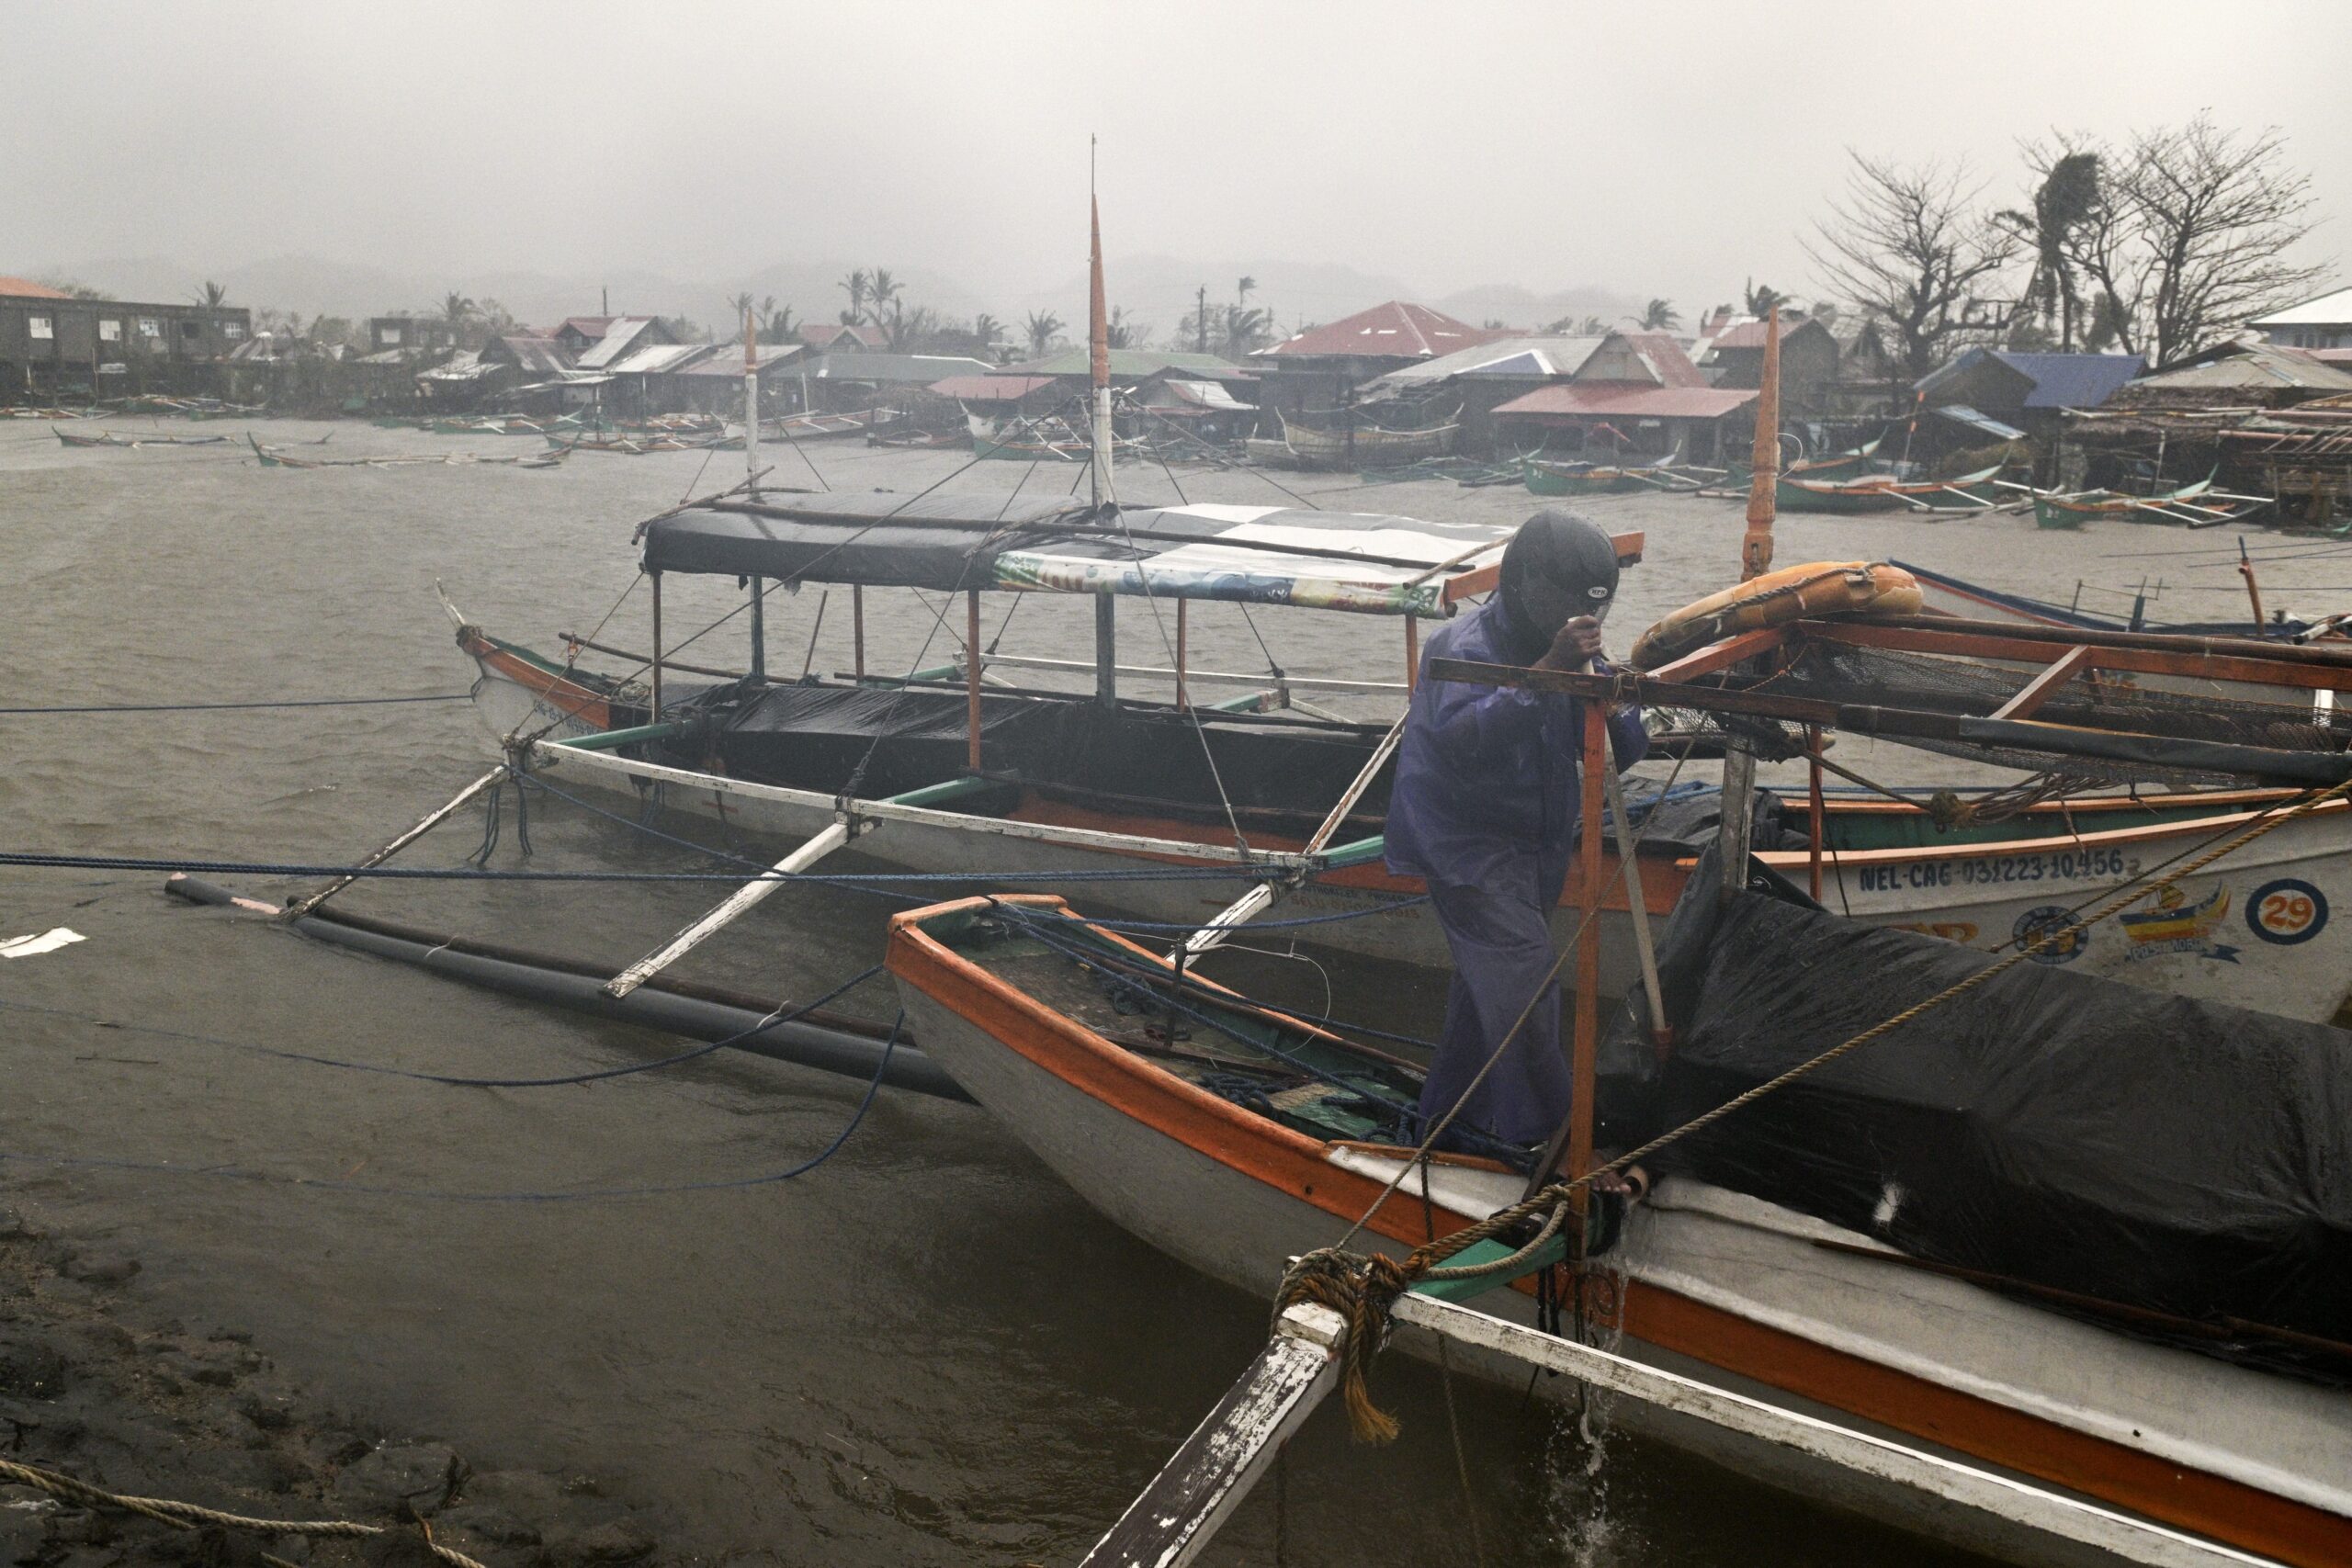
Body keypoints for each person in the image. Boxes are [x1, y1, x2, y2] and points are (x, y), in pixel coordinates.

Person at [1385, 510, 1648, 1151]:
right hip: (1465, 843)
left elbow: (1632, 746)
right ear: (1528, 585)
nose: (1581, 620)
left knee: (1486, 1003)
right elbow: (1462, 736)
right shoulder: (1463, 645)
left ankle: (1446, 1128)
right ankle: (1549, 1148)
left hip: (1537, 842)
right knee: (1526, 986)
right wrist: (1546, 674)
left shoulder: (1579, 647)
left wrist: (1616, 698)